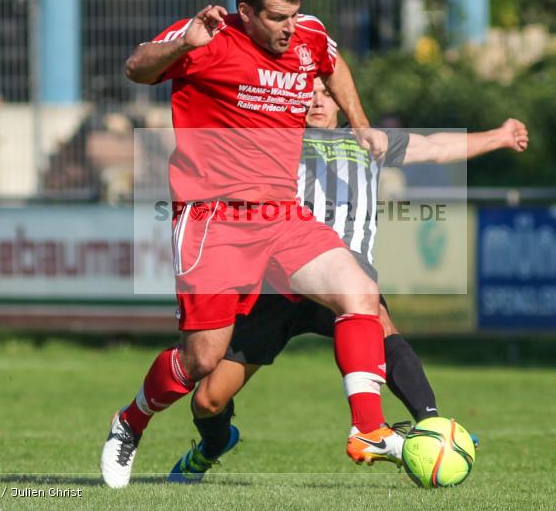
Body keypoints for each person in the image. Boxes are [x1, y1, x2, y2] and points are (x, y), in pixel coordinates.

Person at [101, 0, 396, 489]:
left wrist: (361, 124)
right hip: (212, 219)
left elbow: (332, 63)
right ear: (246, 11)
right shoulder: (209, 37)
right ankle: (130, 422)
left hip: (281, 214)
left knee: (361, 295)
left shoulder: (307, 34)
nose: (292, 28)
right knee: (200, 360)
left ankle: (368, 430)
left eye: (296, 14)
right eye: (279, 18)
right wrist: (183, 44)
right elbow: (136, 67)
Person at [167, 77, 529, 481]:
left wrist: (499, 136)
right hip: (278, 284)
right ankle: (213, 446)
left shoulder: (369, 142)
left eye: (326, 95)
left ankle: (433, 426)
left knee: (380, 323)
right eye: (308, 96)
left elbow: (437, 147)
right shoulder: (276, 140)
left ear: (343, 103)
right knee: (209, 400)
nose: (317, 103)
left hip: (345, 278)